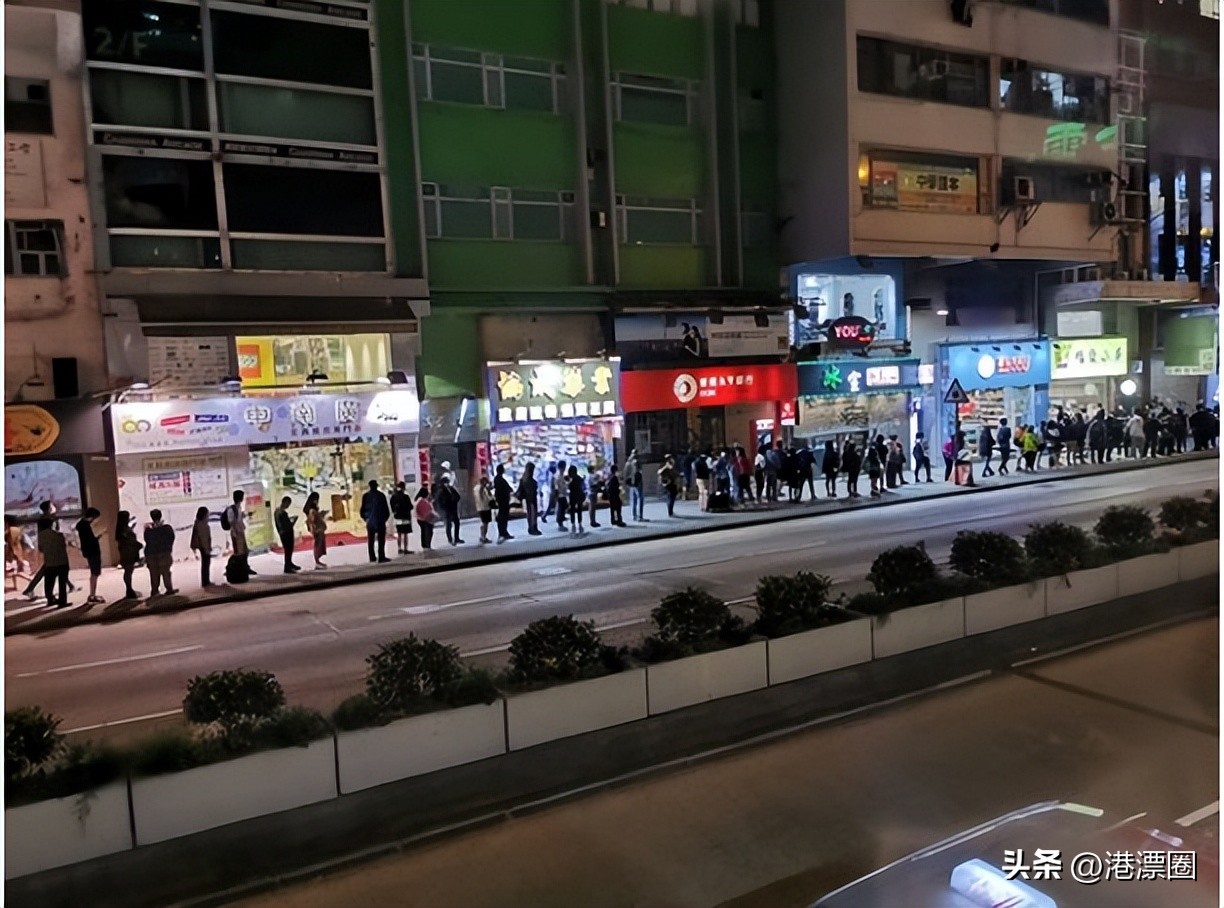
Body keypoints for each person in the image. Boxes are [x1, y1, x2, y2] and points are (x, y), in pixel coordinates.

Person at [37, 517, 70, 608]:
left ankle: (50, 599)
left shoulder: (40, 536)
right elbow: (63, 545)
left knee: (49, 582)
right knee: (62, 583)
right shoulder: (59, 535)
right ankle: (62, 602)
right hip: (62, 561)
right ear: (51, 524)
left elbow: (41, 549)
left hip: (49, 562)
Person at [75, 507, 105, 604]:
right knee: (95, 572)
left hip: (88, 550)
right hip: (93, 551)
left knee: (94, 572)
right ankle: (92, 594)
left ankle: (92, 594)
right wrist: (99, 535)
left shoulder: (80, 525)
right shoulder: (86, 526)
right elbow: (91, 539)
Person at [143, 509, 176, 596]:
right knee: (166, 572)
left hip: (151, 553)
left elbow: (147, 540)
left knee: (154, 573)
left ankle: (155, 590)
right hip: (164, 552)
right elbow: (171, 537)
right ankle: (169, 588)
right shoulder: (166, 528)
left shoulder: (148, 530)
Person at [360, 480, 391, 563]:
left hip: (370, 520)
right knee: (381, 539)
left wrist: (365, 518)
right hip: (380, 519)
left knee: (371, 539)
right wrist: (385, 518)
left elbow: (362, 509)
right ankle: (381, 556)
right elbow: (386, 508)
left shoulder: (365, 496)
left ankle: (372, 557)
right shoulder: (381, 495)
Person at [115, 511, 142, 599]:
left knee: (128, 572)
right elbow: (130, 542)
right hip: (129, 554)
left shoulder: (120, 529)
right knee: (128, 572)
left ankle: (129, 589)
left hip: (125, 553)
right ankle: (129, 590)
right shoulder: (125, 531)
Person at [274, 496, 300, 573]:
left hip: (283, 532)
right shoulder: (282, 512)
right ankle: (287, 566)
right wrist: (292, 522)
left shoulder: (277, 511)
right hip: (286, 533)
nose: (288, 506)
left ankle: (289, 563)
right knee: (288, 550)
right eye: (288, 504)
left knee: (289, 550)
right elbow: (285, 524)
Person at [435, 475, 463, 546]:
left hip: (453, 509)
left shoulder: (451, 488)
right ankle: (450, 539)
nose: (447, 484)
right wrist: (444, 506)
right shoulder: (441, 491)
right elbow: (439, 501)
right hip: (447, 510)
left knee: (457, 523)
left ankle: (457, 538)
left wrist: (454, 500)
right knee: (448, 525)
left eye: (447, 482)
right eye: (445, 482)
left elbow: (458, 496)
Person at [190, 506, 213, 587]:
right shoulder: (202, 525)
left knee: (205, 564)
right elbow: (204, 537)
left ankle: (206, 581)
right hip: (204, 546)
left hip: (202, 546)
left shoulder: (198, 523)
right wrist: (207, 548)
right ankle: (206, 581)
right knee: (206, 563)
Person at [303, 492, 328, 569]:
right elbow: (312, 521)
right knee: (317, 545)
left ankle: (318, 561)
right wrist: (314, 530)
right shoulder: (312, 510)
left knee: (319, 545)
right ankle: (317, 562)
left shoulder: (313, 510)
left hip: (319, 529)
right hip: (318, 530)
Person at [517, 463, 541, 535]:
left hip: (528, 499)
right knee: (533, 514)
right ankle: (533, 528)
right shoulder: (530, 480)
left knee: (530, 514)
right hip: (532, 499)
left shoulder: (523, 479)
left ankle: (531, 528)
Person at [389, 482, 413, 555]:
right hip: (405, 517)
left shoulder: (393, 496)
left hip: (398, 517)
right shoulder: (405, 496)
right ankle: (406, 549)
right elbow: (410, 506)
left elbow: (392, 506)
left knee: (399, 533)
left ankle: (399, 548)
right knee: (405, 533)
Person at [5, 515, 30, 582]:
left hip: (12, 553)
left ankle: (30, 579)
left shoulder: (10, 530)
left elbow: (10, 542)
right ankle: (16, 586)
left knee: (12, 571)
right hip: (17, 551)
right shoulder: (17, 529)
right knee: (14, 571)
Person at [494, 464, 514, 543]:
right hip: (502, 501)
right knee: (502, 517)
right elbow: (504, 489)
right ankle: (502, 532)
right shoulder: (499, 479)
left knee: (504, 517)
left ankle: (504, 532)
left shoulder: (499, 479)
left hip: (503, 500)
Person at [414, 485, 437, 550]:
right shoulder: (423, 501)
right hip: (426, 519)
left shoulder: (419, 500)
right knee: (427, 532)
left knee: (424, 532)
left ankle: (425, 545)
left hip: (421, 519)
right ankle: (427, 545)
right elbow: (427, 511)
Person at [626, 451, 645, 522]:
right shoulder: (636, 462)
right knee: (640, 499)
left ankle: (634, 516)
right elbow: (638, 472)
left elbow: (626, 473)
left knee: (633, 500)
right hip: (637, 483)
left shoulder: (628, 462)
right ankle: (640, 516)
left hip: (631, 484)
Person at [567, 465, 586, 536]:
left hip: (573, 497)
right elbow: (583, 487)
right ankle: (580, 525)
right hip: (579, 496)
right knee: (579, 510)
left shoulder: (571, 480)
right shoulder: (579, 478)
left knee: (572, 511)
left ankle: (573, 525)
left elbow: (569, 487)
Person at [475, 475, 494, 544]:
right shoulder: (483, 489)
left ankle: (482, 536)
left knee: (484, 523)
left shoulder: (476, 488)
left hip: (480, 508)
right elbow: (488, 498)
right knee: (485, 523)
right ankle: (483, 537)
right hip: (485, 508)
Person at [553, 459, 569, 532]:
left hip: (563, 494)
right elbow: (556, 488)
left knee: (563, 507)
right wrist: (556, 496)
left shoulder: (561, 476)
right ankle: (560, 523)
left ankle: (561, 520)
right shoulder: (558, 477)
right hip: (560, 495)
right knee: (561, 509)